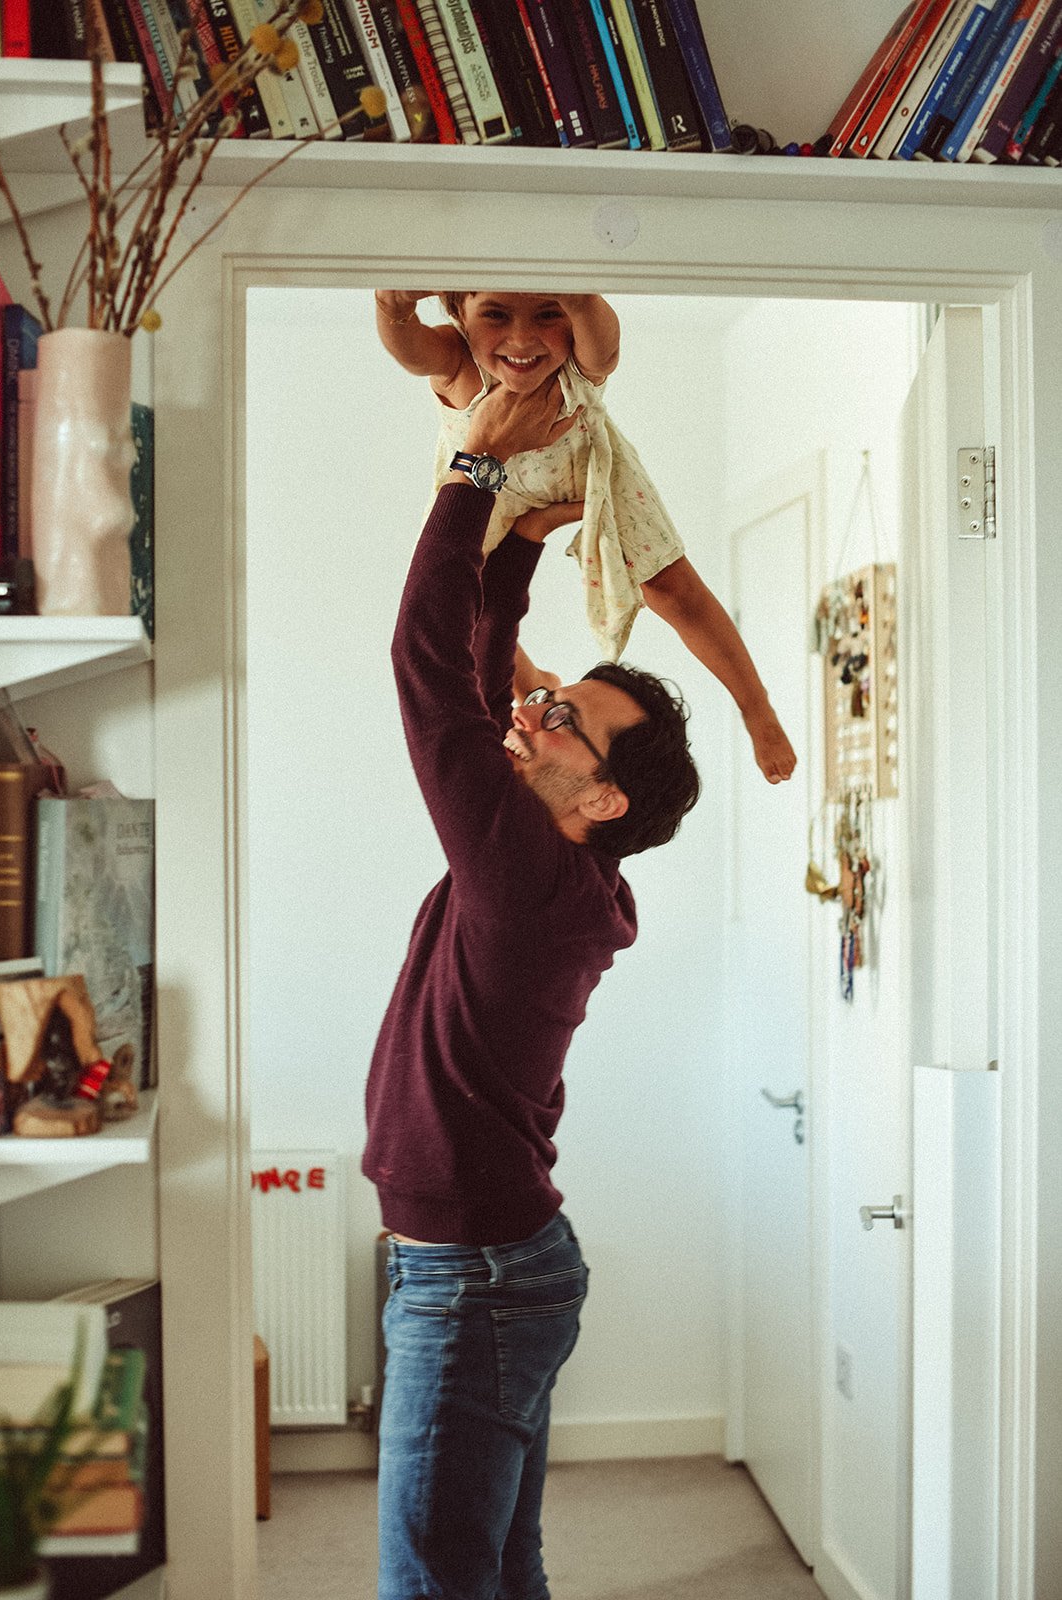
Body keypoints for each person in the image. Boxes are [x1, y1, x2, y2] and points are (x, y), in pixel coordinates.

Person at [363, 373, 701, 1600]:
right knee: (492, 1563)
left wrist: (477, 477)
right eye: (554, 700)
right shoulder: (558, 869)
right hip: (488, 1263)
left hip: (479, 1276)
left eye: (567, 721)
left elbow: (425, 676)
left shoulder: (523, 878)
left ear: (605, 799)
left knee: (436, 1578)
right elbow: (478, 669)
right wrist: (508, 564)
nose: (538, 711)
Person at [374, 285, 796, 784]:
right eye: (496, 314)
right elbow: (410, 351)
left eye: (548, 314)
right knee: (460, 594)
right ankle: (526, 680)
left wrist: (579, 300)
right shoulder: (458, 359)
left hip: (588, 465)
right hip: (487, 479)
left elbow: (606, 347)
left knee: (670, 586)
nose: (523, 337)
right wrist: (392, 308)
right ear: (460, 315)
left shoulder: (575, 360)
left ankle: (755, 704)